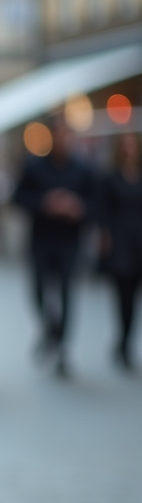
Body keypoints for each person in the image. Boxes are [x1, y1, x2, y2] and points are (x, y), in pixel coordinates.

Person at [13, 116, 96, 378]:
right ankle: (51, 327)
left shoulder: (83, 169)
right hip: (41, 240)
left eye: (66, 134)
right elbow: (18, 198)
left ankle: (62, 348)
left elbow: (96, 203)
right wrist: (45, 203)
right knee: (38, 291)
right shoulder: (35, 167)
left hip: (70, 241)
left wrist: (77, 207)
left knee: (67, 293)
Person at [98, 132, 142, 371]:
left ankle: (126, 341)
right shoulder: (111, 178)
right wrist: (104, 235)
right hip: (120, 243)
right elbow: (103, 209)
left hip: (138, 242)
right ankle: (123, 343)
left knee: (133, 297)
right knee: (123, 297)